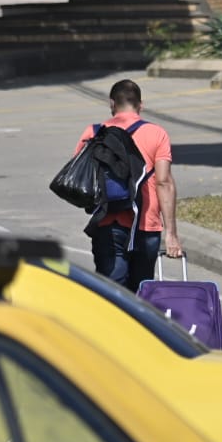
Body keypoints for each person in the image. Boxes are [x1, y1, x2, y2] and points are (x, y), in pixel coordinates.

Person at [74, 79, 182, 291]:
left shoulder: (94, 133)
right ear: (141, 105)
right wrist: (171, 233)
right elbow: (163, 182)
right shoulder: (157, 133)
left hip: (108, 223)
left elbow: (83, 181)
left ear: (112, 104)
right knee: (141, 295)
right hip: (146, 224)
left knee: (113, 294)